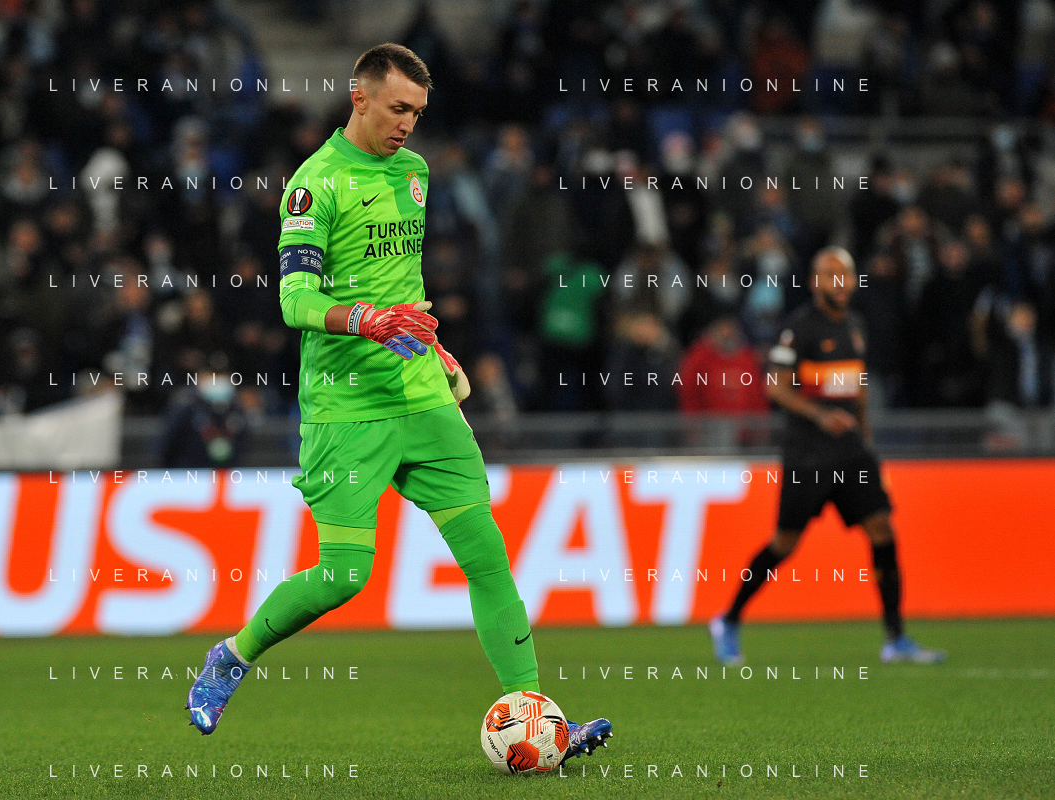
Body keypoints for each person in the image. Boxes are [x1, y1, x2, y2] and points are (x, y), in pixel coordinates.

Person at [185, 43, 612, 760]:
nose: (408, 124)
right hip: (346, 408)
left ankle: (539, 719)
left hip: (420, 395)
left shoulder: (414, 174)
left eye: (417, 112)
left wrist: (430, 346)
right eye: (397, 108)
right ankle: (232, 656)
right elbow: (294, 299)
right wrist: (365, 321)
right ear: (359, 98)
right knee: (344, 576)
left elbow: (400, 284)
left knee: (487, 556)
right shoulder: (314, 185)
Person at [710, 248, 946, 666]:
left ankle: (895, 638)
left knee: (882, 529)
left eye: (845, 274)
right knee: (784, 543)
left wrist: (868, 444)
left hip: (852, 453)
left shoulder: (856, 326)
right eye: (830, 274)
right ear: (815, 282)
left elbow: (859, 387)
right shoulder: (798, 328)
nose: (839, 282)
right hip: (809, 454)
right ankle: (728, 620)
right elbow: (775, 387)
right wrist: (820, 415)